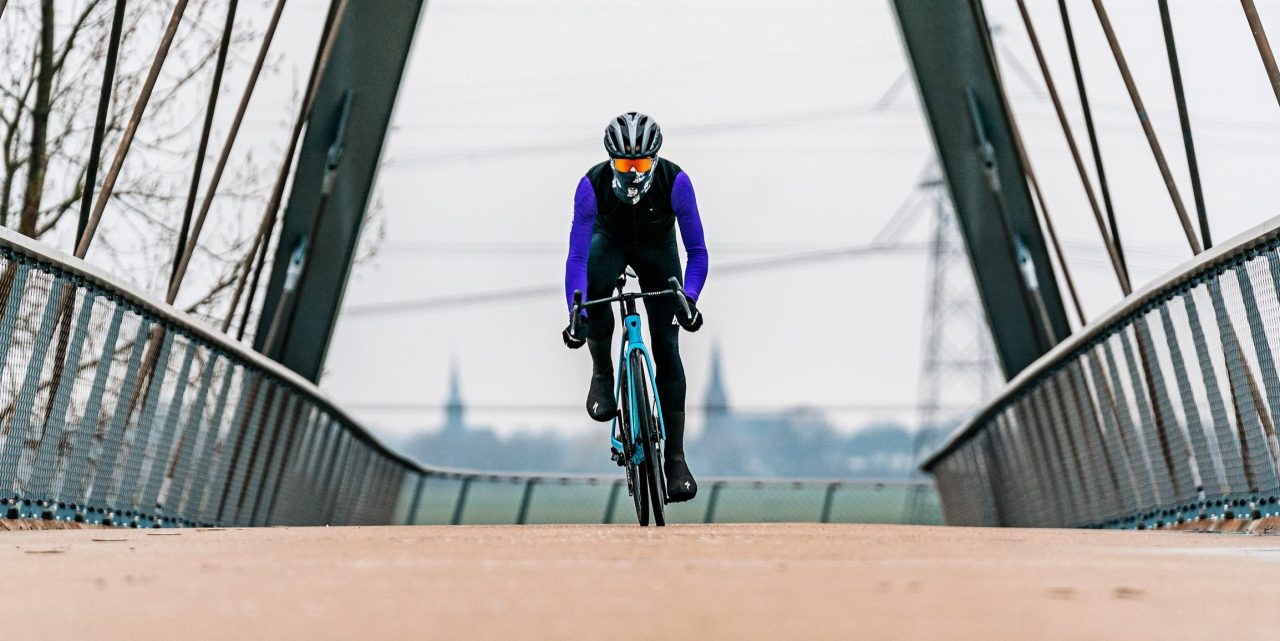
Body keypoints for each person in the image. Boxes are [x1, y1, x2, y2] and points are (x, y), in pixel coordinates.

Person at [561, 112, 708, 502]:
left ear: (655, 161)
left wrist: (688, 300)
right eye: (624, 164)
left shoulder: (675, 182)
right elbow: (576, 259)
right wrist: (576, 314)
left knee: (667, 346)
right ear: (610, 161)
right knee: (594, 292)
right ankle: (603, 373)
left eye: (640, 164)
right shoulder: (591, 186)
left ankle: (675, 460)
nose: (632, 172)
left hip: (657, 250)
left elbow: (697, 252)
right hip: (608, 242)